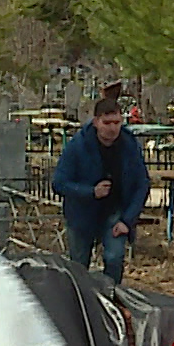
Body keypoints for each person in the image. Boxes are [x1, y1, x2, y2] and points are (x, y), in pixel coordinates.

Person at [53, 96, 149, 283]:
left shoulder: (129, 145)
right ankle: (81, 303)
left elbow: (142, 183)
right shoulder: (78, 145)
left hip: (115, 213)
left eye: (117, 122)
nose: (112, 128)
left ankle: (112, 297)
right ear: (96, 122)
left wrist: (128, 220)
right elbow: (60, 182)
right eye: (107, 122)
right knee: (79, 266)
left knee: (114, 258)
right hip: (81, 215)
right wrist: (90, 191)